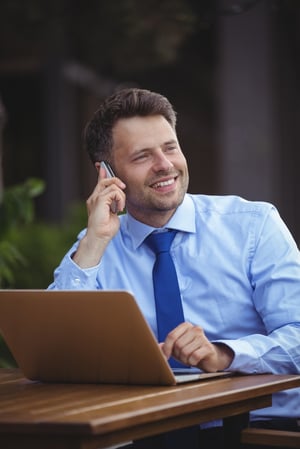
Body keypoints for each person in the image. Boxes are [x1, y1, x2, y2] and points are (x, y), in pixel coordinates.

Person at [48, 88, 300, 448]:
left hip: (259, 430)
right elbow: (54, 350)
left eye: (170, 147)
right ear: (106, 173)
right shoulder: (96, 246)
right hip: (145, 434)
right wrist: (93, 242)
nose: (165, 164)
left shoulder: (254, 225)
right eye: (142, 156)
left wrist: (224, 354)